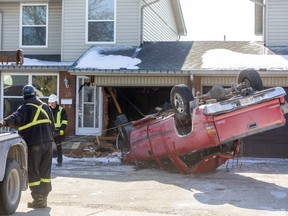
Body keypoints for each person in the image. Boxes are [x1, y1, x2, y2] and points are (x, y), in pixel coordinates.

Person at [0, 85, 55, 208]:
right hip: (48, 144)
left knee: (33, 171)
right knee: (45, 172)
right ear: (34, 94)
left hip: (34, 144)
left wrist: (4, 122)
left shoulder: (25, 107)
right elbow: (53, 126)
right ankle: (44, 198)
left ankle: (38, 198)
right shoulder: (45, 107)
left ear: (24, 96)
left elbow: (16, 117)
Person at [48, 94, 68, 166]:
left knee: (58, 147)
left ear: (56, 102)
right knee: (48, 147)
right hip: (49, 131)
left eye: (53, 103)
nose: (52, 105)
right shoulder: (47, 109)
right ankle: (47, 162)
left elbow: (64, 121)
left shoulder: (61, 110)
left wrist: (62, 129)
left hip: (58, 131)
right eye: (50, 103)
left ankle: (59, 161)